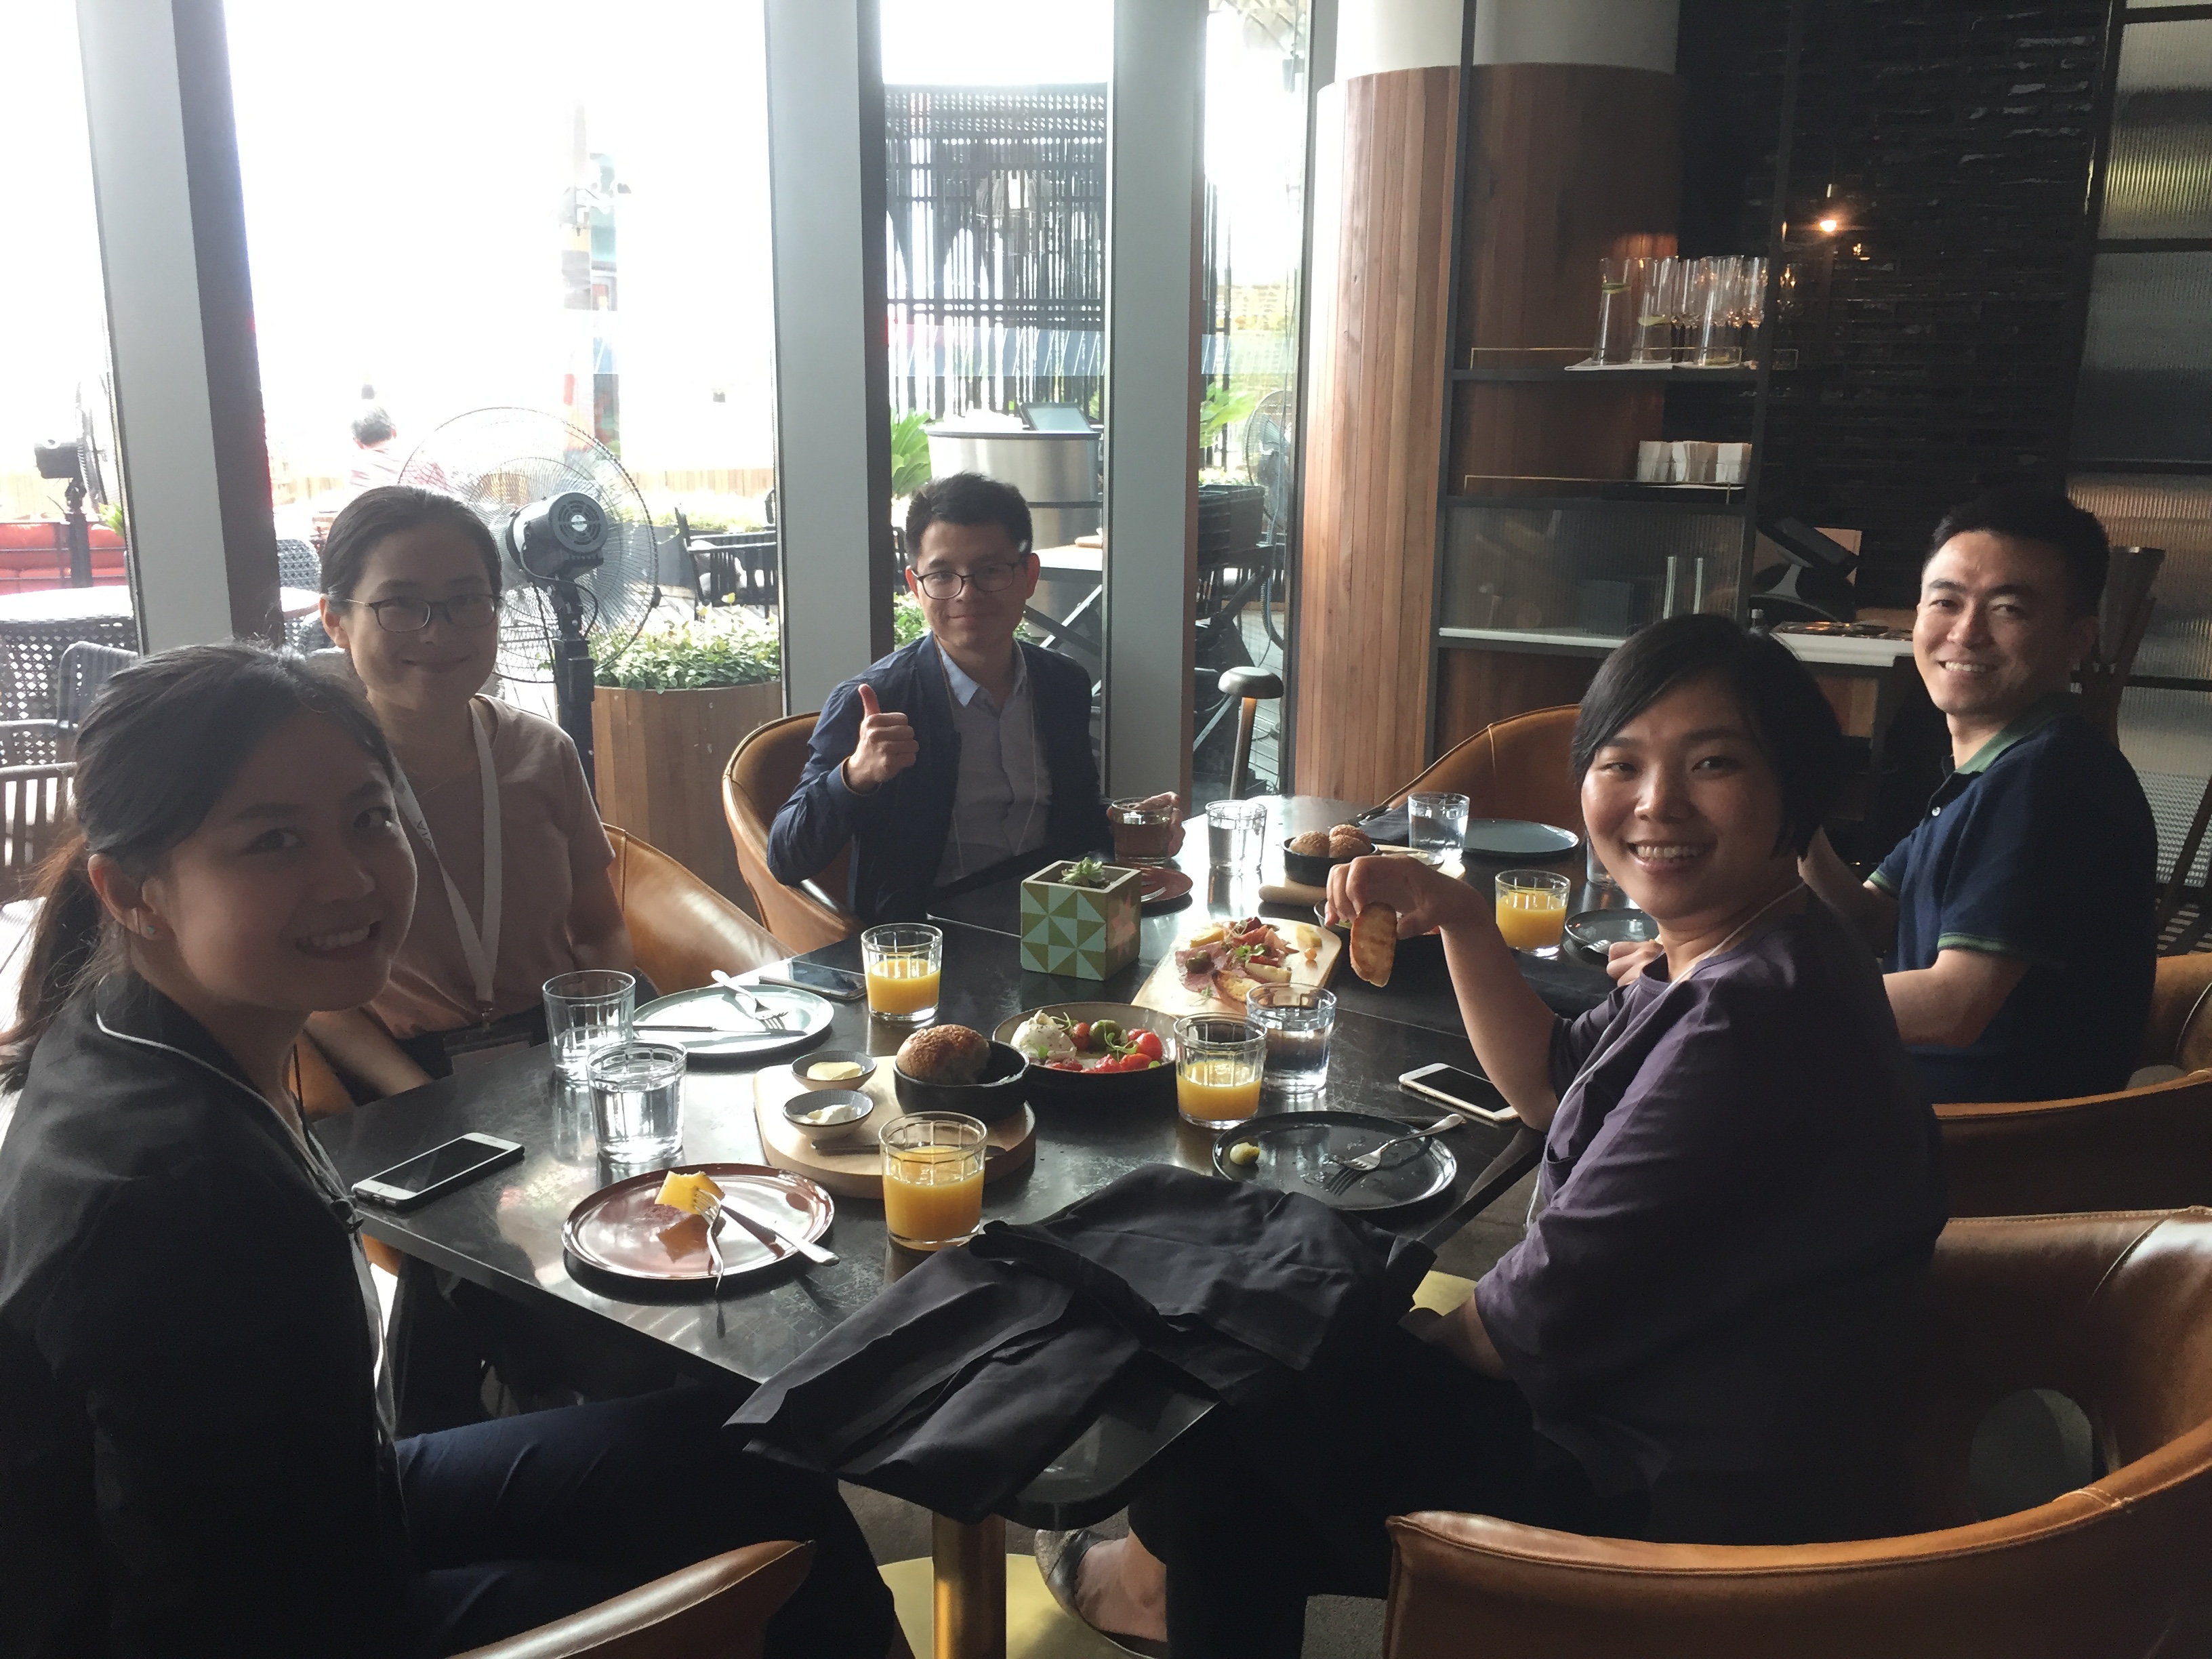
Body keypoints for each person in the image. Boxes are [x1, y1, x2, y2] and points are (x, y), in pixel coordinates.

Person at [1050, 615, 1946, 1658]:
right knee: (1268, 1345)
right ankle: (1172, 1585)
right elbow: (1549, 1086)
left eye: (1714, 763)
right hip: (1703, 1397)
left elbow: (1525, 1318)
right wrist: (1463, 917)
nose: (1656, 802)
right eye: (1622, 763)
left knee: (1232, 1400)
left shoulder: (1749, 1022)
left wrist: (1363, 1349)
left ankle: (1157, 1595)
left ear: (1794, 789)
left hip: (1664, 1484)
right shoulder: (1756, 947)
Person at [0, 644, 898, 1657]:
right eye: (274, 841)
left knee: (747, 1455)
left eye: (369, 819)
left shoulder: (131, 1029)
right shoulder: (176, 1203)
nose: (349, 879)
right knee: (754, 1569)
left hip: (328, 1514)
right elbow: (233, 1614)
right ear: (132, 892)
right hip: (261, 1617)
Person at [1620, 487, 2158, 1104]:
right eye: (1946, 601)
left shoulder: (2049, 779)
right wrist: (1795, 811)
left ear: (2077, 639)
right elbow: (1867, 918)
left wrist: (1705, 989)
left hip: (1979, 1132)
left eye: (2008, 609)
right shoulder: (1999, 768)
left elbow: (1953, 1005)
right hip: (1914, 1094)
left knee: (1653, 1076)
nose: (1966, 633)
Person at [305, 485, 635, 1091]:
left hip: (558, 1053)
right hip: (397, 1081)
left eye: (466, 601)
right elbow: (311, 990)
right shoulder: (313, 778)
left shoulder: (543, 752)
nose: (438, 632)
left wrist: (595, 1052)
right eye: (401, 605)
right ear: (336, 621)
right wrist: (420, 1100)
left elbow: (600, 931)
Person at [769, 471, 1161, 924]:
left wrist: (1129, 822)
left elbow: (1077, 816)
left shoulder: (1061, 683)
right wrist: (855, 775)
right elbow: (786, 856)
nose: (967, 594)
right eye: (942, 575)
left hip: (1057, 924)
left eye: (990, 571)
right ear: (916, 586)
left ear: (1029, 575)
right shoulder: (874, 700)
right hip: (931, 939)